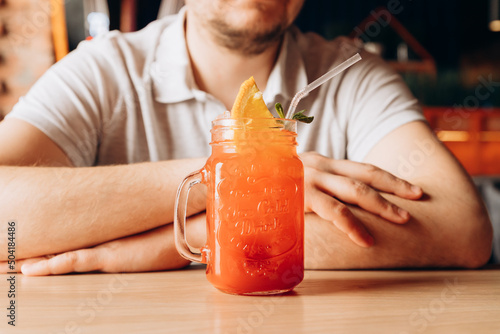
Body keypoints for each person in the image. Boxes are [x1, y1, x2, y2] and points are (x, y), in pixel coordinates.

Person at [0, 0, 492, 276]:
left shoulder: (350, 75)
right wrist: (228, 180)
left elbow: (463, 230)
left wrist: (183, 239)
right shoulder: (104, 70)